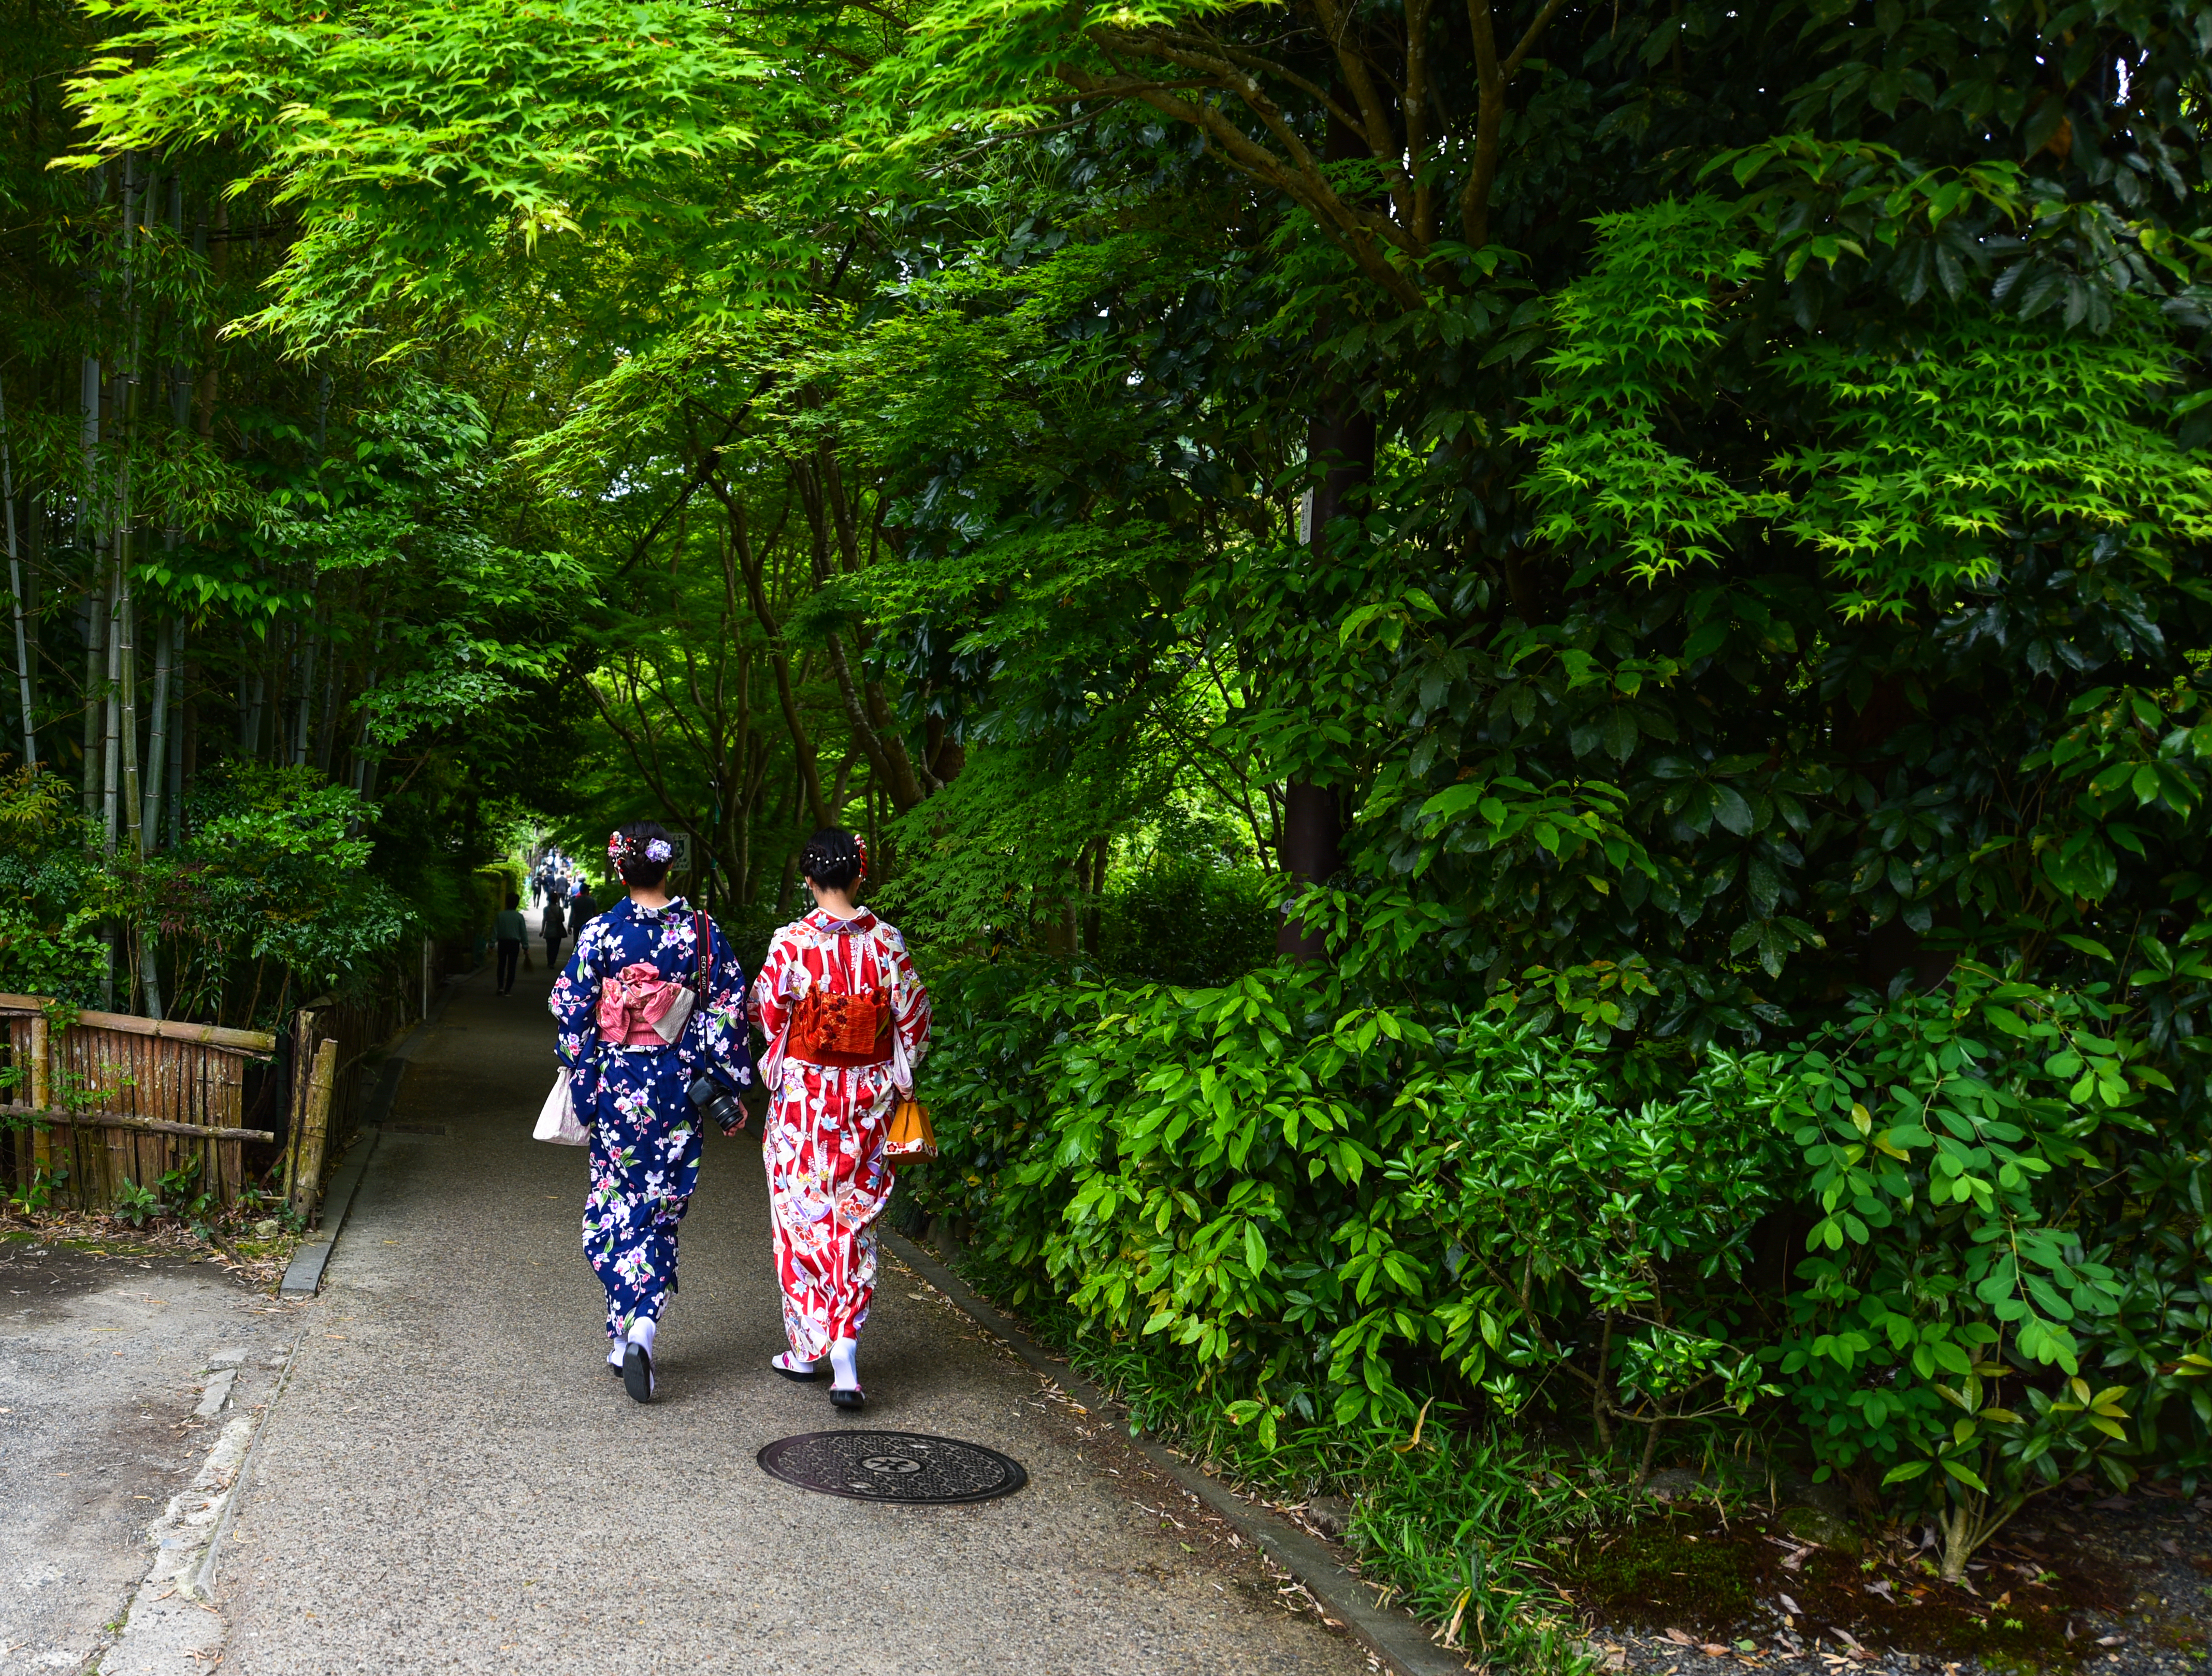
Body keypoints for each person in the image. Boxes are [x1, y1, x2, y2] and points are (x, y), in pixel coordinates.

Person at [549, 822, 755, 1403]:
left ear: (619, 871)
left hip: (618, 1084)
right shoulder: (702, 934)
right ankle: (640, 1327)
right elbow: (728, 1006)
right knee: (661, 1209)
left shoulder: (602, 932)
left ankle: (626, 1332)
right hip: (677, 1088)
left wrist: (587, 1060)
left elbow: (568, 1007)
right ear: (670, 870)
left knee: (614, 1209)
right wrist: (719, 1077)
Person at [749, 827, 931, 1411]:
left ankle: (806, 1348)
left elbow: (768, 1011)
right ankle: (846, 1345)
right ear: (860, 874)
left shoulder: (791, 942)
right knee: (854, 1218)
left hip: (806, 1096)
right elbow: (915, 1023)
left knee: (800, 1216)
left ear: (807, 878)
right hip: (868, 1101)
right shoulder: (888, 943)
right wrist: (886, 1071)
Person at [493, 892, 527, 995]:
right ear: (517, 904)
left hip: (503, 942)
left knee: (501, 964)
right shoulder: (519, 917)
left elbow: (495, 930)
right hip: (514, 944)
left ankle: (500, 987)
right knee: (512, 966)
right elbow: (523, 932)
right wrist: (525, 946)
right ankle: (508, 989)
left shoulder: (500, 915)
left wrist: (491, 944)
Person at [541, 892, 567, 973]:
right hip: (558, 930)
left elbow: (544, 920)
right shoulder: (560, 909)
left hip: (549, 930)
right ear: (557, 900)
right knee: (556, 947)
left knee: (549, 947)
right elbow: (563, 919)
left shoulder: (546, 909)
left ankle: (549, 962)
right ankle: (553, 962)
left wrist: (542, 931)